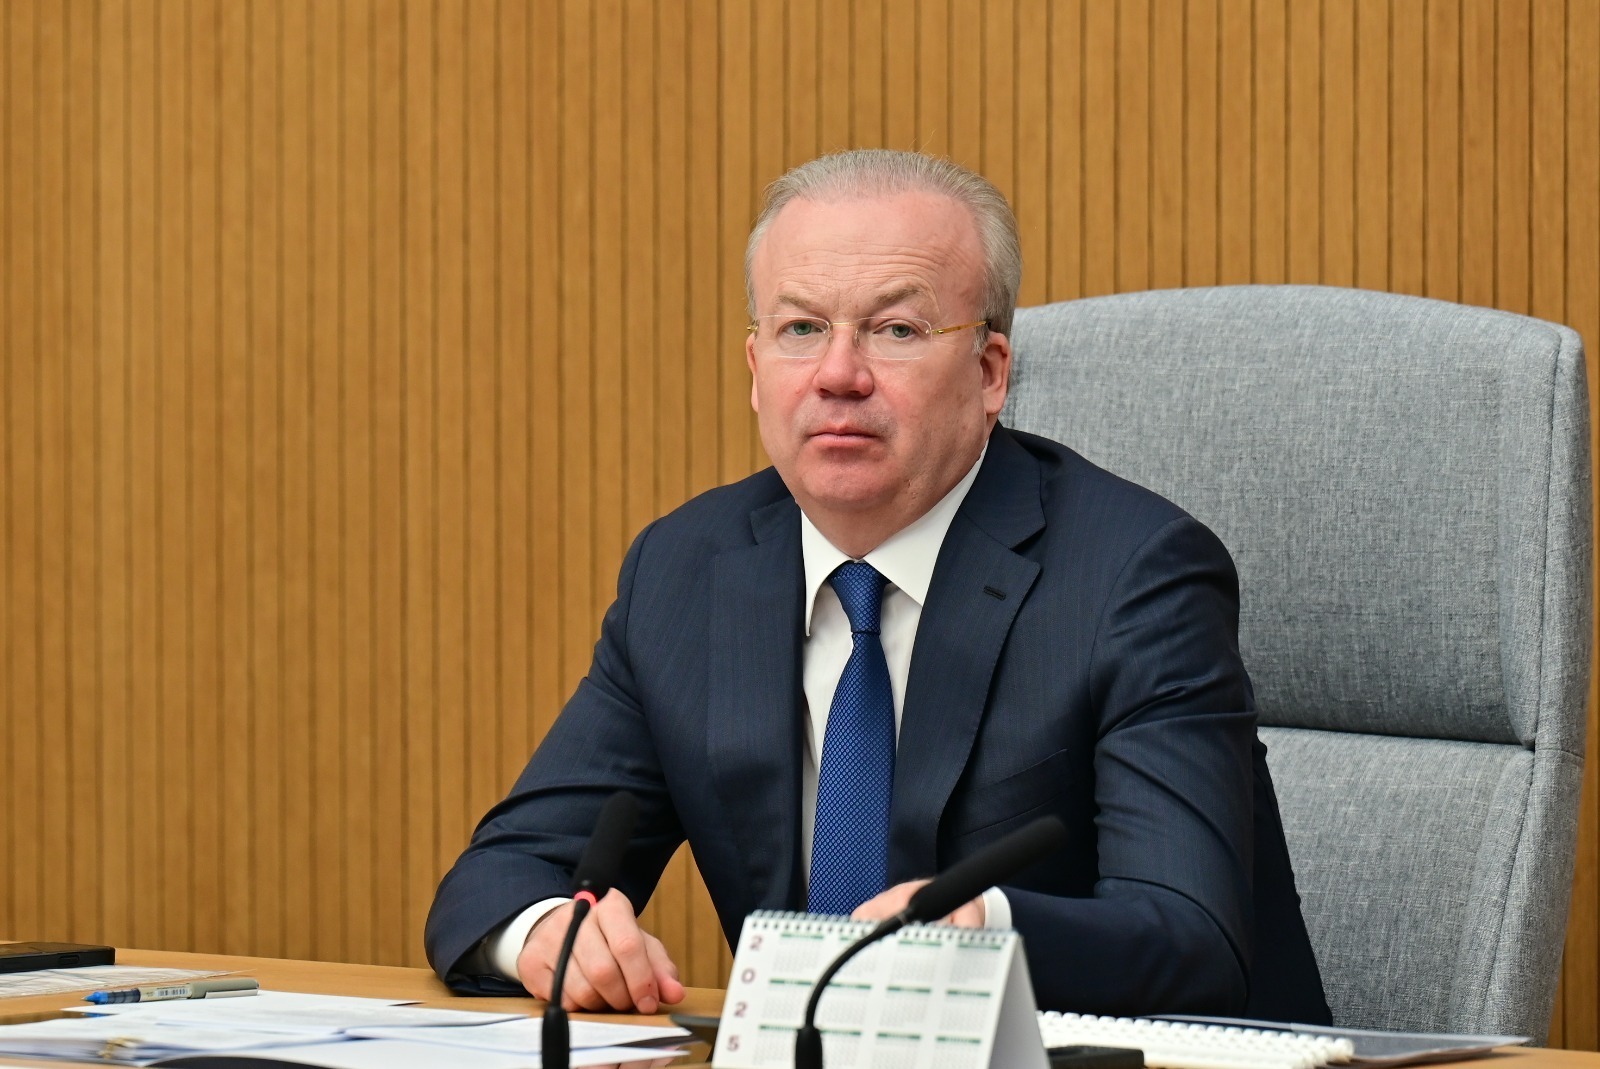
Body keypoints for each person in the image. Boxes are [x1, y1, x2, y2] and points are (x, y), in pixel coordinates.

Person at [424, 149, 1329, 1024]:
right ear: (755, 370)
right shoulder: (688, 569)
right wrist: (546, 931)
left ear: (990, 373)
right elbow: (502, 874)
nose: (838, 375)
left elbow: (1193, 938)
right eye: (801, 329)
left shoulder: (1135, 577)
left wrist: (985, 928)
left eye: (896, 330)